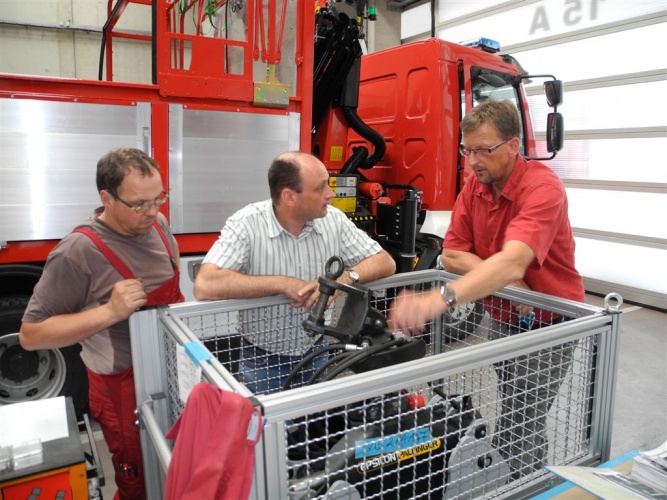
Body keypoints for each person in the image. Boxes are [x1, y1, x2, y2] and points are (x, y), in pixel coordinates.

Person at [388, 99, 585, 479]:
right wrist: (507, 278)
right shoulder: (474, 187)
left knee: (522, 418)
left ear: (513, 146)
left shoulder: (542, 188)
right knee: (514, 407)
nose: (473, 162)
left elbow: (513, 259)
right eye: (468, 151)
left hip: (550, 323)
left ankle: (515, 483)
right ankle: (511, 475)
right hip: (504, 317)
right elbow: (452, 254)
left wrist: (441, 298)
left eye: (483, 150)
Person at [20, 148, 184, 500]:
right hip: (122, 390)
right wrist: (110, 312)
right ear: (107, 198)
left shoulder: (158, 225)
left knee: (177, 466)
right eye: (139, 204)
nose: (152, 211)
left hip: (172, 372)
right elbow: (31, 335)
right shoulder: (78, 251)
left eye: (159, 199)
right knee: (138, 483)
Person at [194, 151, 395, 393]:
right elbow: (205, 285)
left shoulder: (333, 221)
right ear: (289, 197)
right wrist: (283, 284)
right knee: (266, 419)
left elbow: (386, 262)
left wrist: (343, 280)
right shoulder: (246, 224)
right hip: (262, 362)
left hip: (317, 354)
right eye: (320, 188)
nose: (330, 194)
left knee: (316, 418)